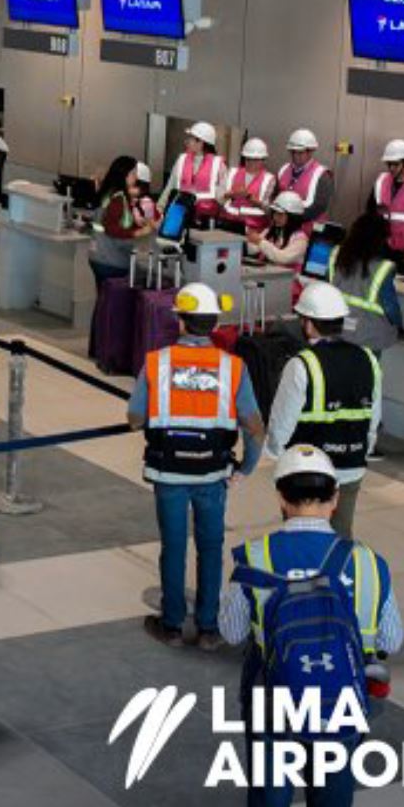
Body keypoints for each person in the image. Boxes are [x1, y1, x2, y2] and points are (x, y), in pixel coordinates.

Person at [220, 446, 402, 807]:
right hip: (339, 707)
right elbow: (392, 639)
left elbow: (229, 631)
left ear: (281, 497)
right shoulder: (368, 563)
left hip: (273, 705)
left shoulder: (256, 556)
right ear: (335, 498)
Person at [128, 282, 265, 651]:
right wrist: (246, 468)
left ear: (182, 322)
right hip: (213, 474)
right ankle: (208, 628)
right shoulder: (233, 367)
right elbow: (255, 428)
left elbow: (136, 418)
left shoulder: (157, 362)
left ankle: (171, 625)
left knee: (173, 547)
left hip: (168, 472)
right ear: (214, 323)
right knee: (211, 546)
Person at [264, 283, 382, 538]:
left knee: (301, 538)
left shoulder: (301, 364)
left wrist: (274, 454)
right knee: (340, 538)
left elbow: (282, 421)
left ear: (307, 323)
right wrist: (363, 450)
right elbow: (373, 418)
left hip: (306, 471)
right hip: (351, 465)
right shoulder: (368, 359)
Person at [328, 212, 402, 353]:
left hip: (336, 328)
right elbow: (391, 308)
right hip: (369, 337)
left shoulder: (337, 256)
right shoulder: (382, 268)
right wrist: (402, 327)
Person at [89, 155, 155, 283]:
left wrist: (135, 225)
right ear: (125, 174)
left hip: (97, 256)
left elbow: (110, 221)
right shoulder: (118, 199)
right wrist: (139, 232)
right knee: (116, 299)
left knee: (105, 299)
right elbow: (112, 228)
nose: (136, 177)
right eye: (134, 173)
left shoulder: (107, 193)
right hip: (113, 260)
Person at [162, 121, 227, 219]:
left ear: (201, 142)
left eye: (190, 138)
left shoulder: (218, 165)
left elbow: (223, 197)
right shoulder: (182, 160)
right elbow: (170, 186)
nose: (187, 141)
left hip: (205, 219)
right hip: (179, 215)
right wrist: (160, 208)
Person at [276, 129, 334, 229]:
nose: (295, 156)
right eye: (293, 152)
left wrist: (289, 219)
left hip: (309, 230)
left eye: (300, 152)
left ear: (311, 151)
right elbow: (276, 198)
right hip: (284, 228)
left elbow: (318, 208)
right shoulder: (283, 170)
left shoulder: (322, 175)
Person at [245, 192, 311, 274]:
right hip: (267, 276)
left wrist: (260, 242)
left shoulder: (301, 240)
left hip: (288, 282)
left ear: (292, 217)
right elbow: (253, 249)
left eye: (280, 214)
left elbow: (282, 258)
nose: (275, 217)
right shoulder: (272, 231)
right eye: (274, 213)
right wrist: (246, 242)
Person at [221, 137, 275, 233]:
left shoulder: (269, 179)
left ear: (263, 160)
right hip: (230, 224)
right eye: (248, 159)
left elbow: (269, 210)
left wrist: (251, 198)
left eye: (255, 160)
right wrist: (233, 194)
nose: (251, 163)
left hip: (254, 229)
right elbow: (220, 197)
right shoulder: (233, 172)